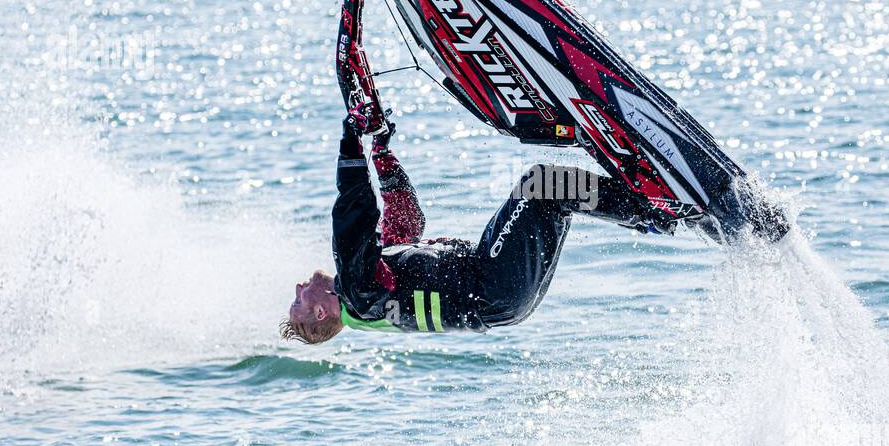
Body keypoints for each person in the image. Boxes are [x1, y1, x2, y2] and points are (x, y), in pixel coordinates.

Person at [282, 106, 673, 343]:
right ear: (320, 313)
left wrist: (381, 151)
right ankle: (651, 208)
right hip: (492, 283)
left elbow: (405, 220)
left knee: (553, 199)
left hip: (504, 300)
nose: (300, 287)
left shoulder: (370, 293)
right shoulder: (357, 293)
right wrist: (351, 139)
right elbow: (352, 214)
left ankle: (646, 203)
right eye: (299, 299)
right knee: (541, 186)